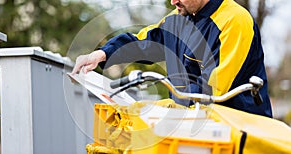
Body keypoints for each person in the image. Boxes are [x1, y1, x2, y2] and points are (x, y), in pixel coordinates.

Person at [71, 0, 273, 118]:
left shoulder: (235, 21)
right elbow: (144, 42)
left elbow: (212, 91)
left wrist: (158, 110)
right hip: (192, 125)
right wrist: (101, 54)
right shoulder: (177, 18)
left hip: (241, 131)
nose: (173, 1)